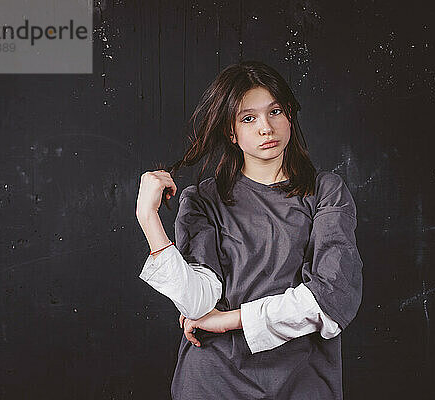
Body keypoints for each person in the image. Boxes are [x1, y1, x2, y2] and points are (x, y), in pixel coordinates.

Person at [135, 60, 363, 400]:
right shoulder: (202, 200)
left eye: (275, 112)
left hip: (303, 380)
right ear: (231, 131)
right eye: (249, 118)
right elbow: (198, 302)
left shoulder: (326, 191)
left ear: (289, 115)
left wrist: (226, 321)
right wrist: (148, 218)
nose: (266, 128)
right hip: (213, 381)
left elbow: (332, 299)